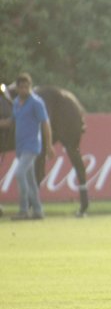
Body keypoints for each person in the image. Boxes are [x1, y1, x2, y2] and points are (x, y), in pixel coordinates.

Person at [0, 74, 56, 219]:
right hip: (20, 146)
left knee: (20, 174)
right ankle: (38, 211)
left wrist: (49, 145)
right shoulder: (16, 102)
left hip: (32, 145)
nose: (25, 90)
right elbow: (12, 121)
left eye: (27, 87)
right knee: (30, 180)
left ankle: (24, 210)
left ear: (30, 86)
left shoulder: (37, 102)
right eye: (21, 87)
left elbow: (45, 124)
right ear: (17, 89)